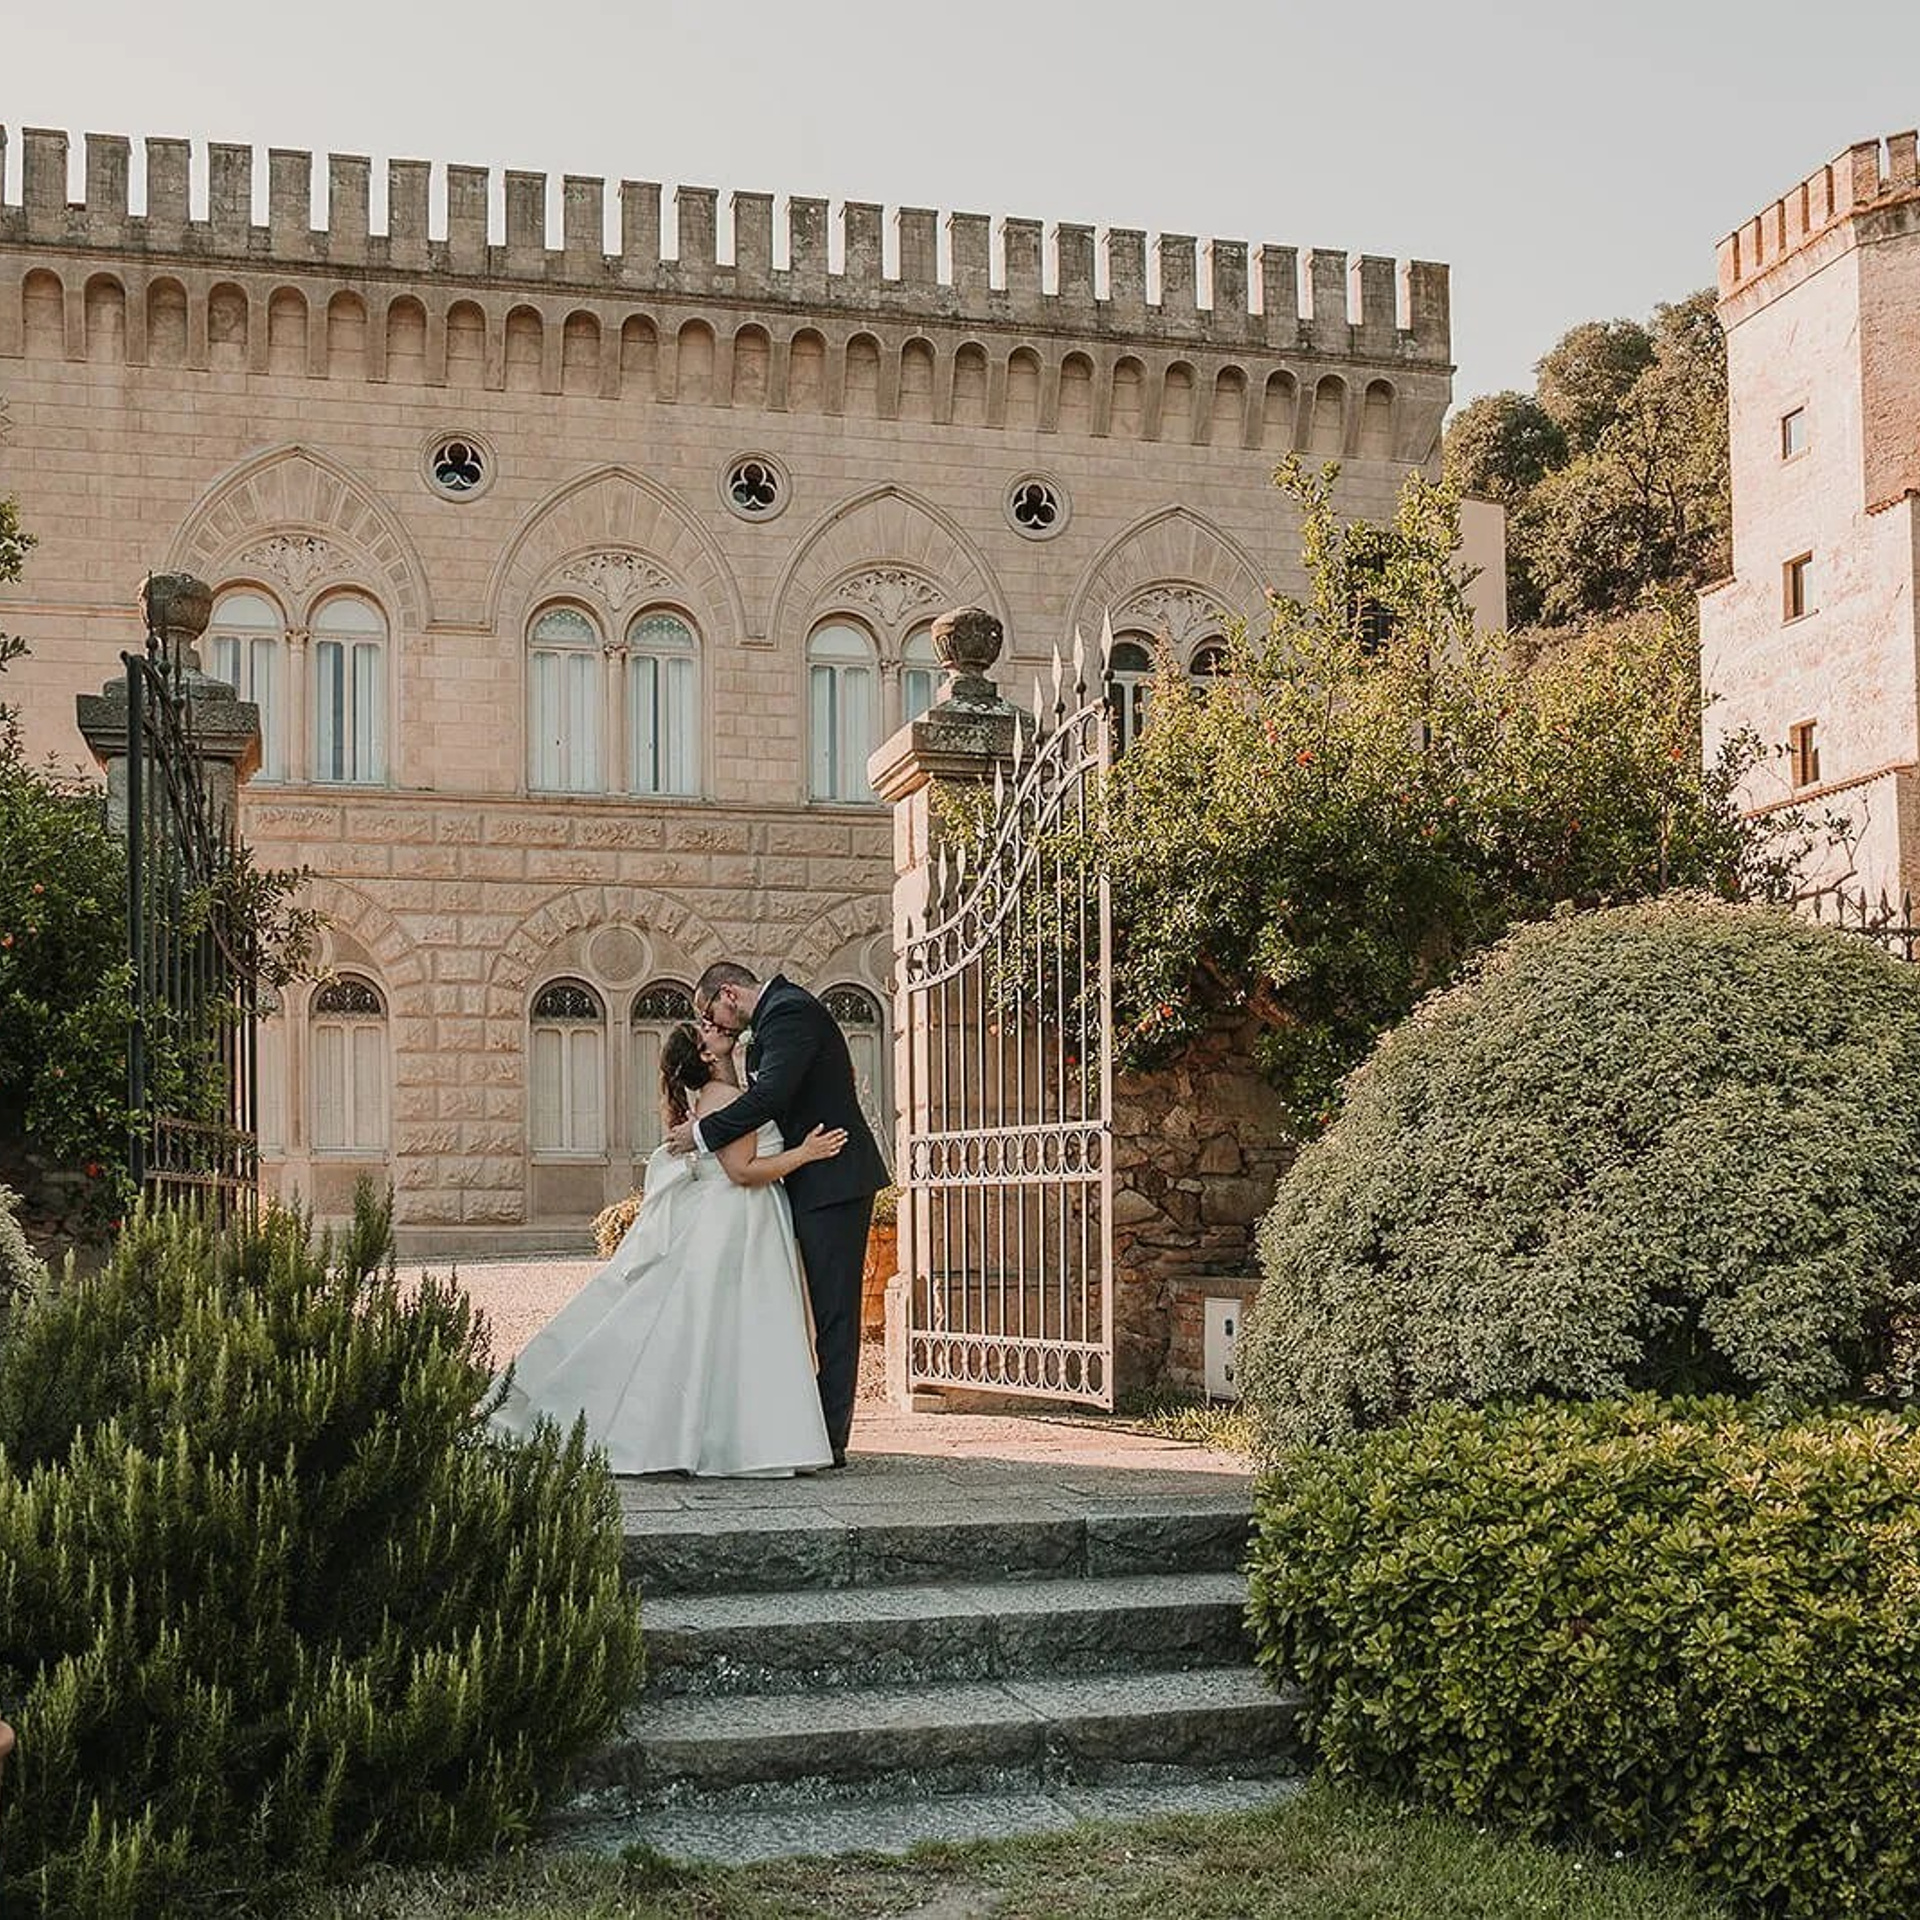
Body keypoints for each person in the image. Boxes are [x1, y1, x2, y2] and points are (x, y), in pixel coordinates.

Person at [488, 1019, 845, 1476]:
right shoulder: (726, 1100)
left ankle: (731, 1436)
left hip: (741, 1218)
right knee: (732, 1325)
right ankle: (735, 1441)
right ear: (705, 1055)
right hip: (738, 1217)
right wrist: (805, 1154)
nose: (714, 1027)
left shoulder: (726, 1096)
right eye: (706, 1031)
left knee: (726, 1331)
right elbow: (742, 1170)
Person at [668, 961, 890, 1468]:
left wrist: (701, 1135)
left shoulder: (789, 1013)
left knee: (834, 1313)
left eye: (712, 1013)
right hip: (807, 1183)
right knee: (807, 1313)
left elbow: (771, 1098)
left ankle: (831, 1439)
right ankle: (803, 1426)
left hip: (832, 1181)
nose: (717, 1026)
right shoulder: (774, 1019)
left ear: (729, 993)